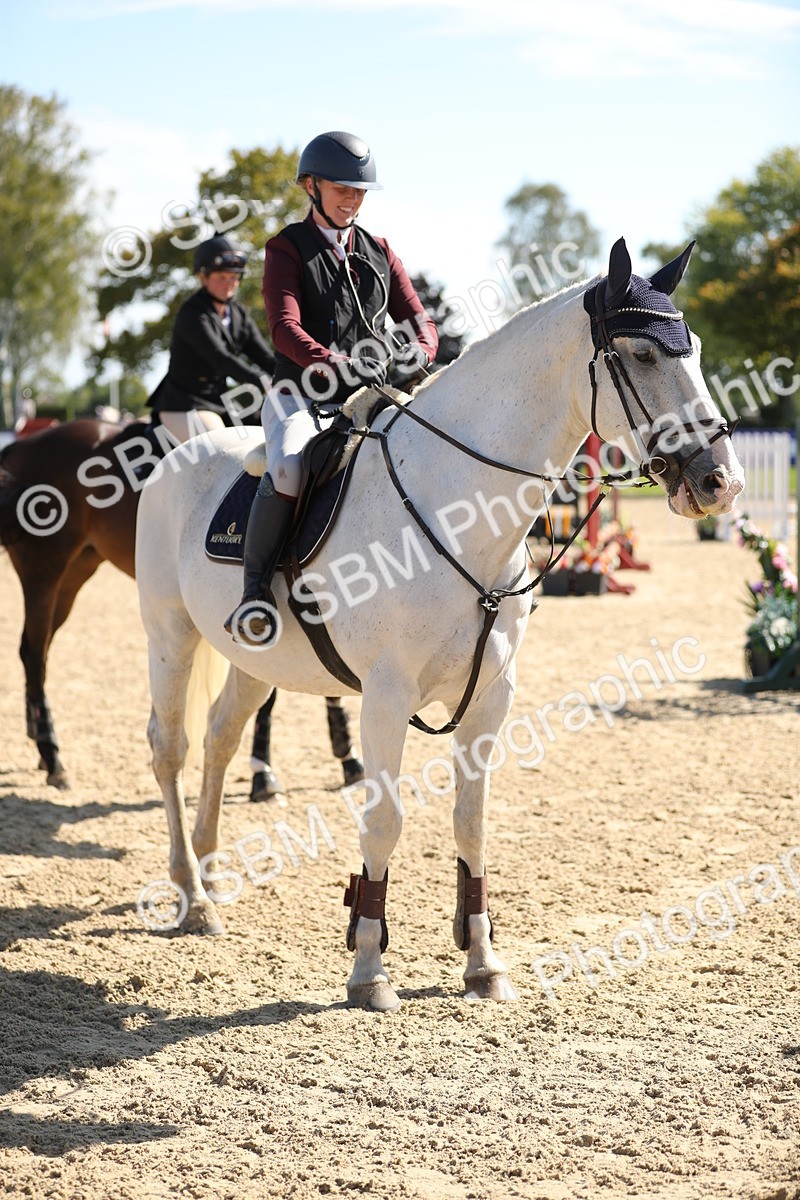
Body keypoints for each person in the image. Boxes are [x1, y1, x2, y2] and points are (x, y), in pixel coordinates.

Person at [225, 130, 439, 646]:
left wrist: (422, 351)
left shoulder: (379, 250)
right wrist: (334, 364)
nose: (352, 198)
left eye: (359, 190)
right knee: (289, 463)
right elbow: (283, 327)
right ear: (311, 186)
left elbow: (421, 321)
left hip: (369, 399)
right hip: (299, 396)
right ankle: (254, 593)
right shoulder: (286, 248)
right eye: (341, 187)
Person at [147, 235, 275, 442]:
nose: (229, 284)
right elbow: (220, 358)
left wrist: (292, 376)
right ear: (203, 277)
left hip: (219, 402)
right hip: (184, 405)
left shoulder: (238, 313)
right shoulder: (193, 313)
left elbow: (265, 357)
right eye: (221, 277)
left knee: (265, 428)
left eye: (234, 277)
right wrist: (262, 382)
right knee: (220, 444)